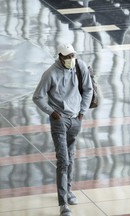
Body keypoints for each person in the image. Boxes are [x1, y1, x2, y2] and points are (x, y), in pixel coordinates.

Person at [33, 43, 93, 216]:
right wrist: (52, 112)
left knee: (71, 157)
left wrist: (82, 112)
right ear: (60, 56)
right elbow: (37, 97)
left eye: (72, 55)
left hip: (76, 119)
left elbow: (88, 89)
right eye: (67, 56)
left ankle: (68, 191)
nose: (70, 59)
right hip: (59, 121)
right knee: (63, 160)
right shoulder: (50, 73)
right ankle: (63, 204)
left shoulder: (80, 66)